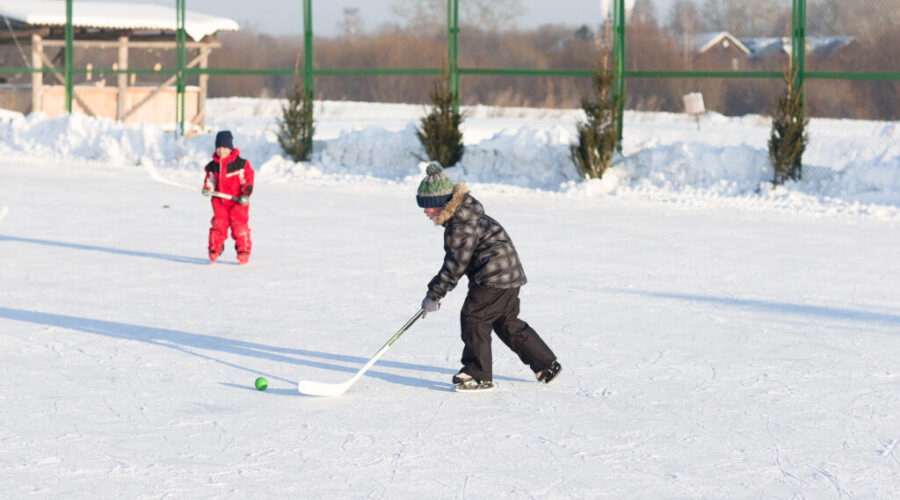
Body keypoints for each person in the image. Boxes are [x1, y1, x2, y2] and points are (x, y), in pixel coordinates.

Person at [416, 162, 561, 391]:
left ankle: (478, 374)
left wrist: (434, 294)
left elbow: (455, 265)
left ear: (440, 203)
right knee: (506, 322)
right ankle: (545, 363)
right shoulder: (467, 213)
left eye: (427, 206)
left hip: (494, 277)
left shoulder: (461, 224)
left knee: (474, 318)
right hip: (510, 274)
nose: (425, 211)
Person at [202, 130, 254, 264]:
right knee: (219, 223)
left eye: (224, 148)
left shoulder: (240, 164)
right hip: (220, 201)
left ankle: (243, 249)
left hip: (238, 201)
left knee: (239, 225)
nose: (221, 151)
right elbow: (210, 180)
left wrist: (245, 193)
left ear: (230, 148)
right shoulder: (212, 166)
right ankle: (215, 248)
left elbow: (247, 180)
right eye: (218, 148)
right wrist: (208, 188)